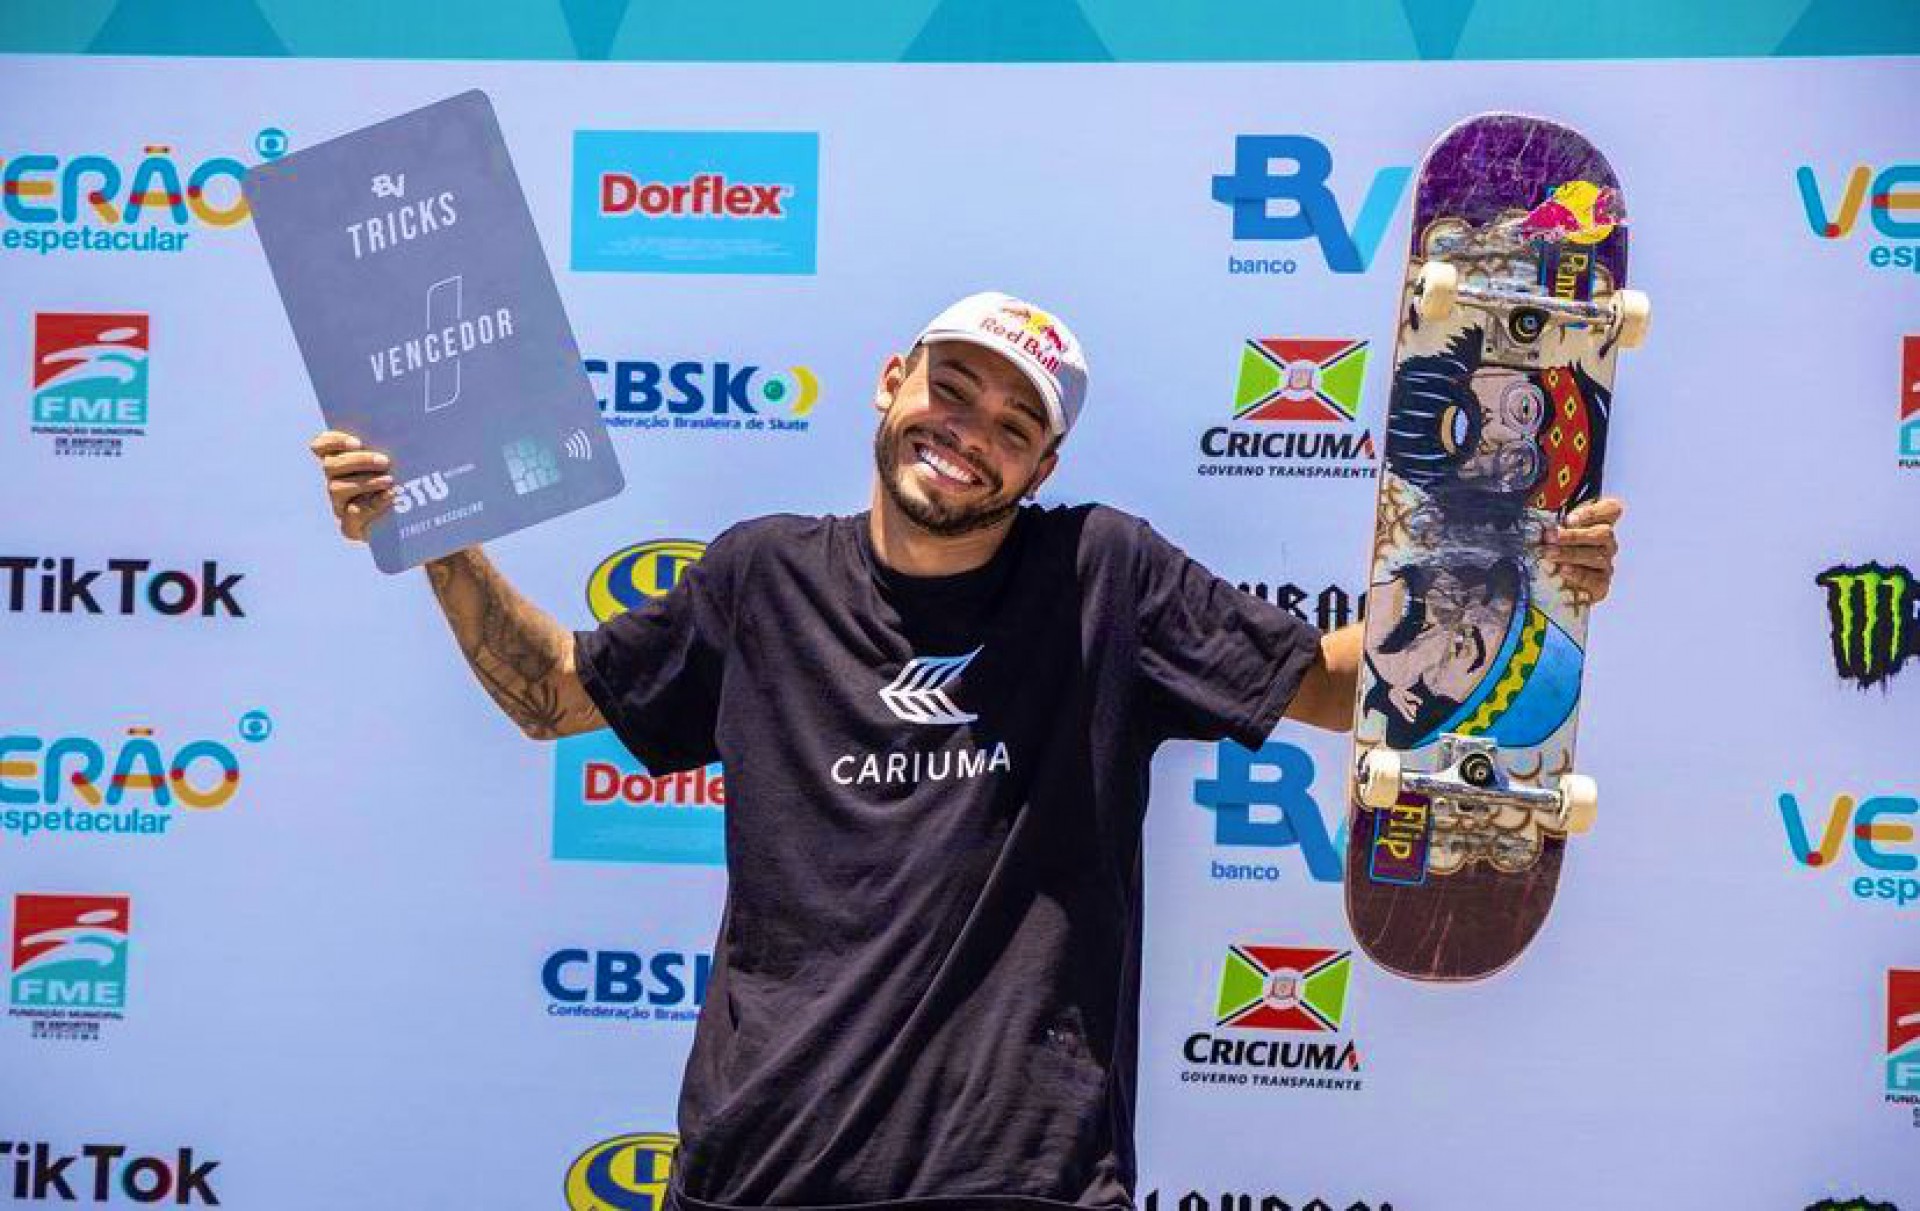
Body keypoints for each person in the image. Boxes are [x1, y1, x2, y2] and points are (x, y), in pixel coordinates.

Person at [309, 291, 1624, 1211]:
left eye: (1014, 423)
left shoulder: (1105, 575)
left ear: (1043, 463)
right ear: (894, 383)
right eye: (955, 389)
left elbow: (1338, 688)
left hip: (1021, 1176)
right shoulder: (759, 576)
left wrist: (1519, 579)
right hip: (762, 1168)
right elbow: (551, 695)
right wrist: (428, 522)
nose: (972, 432)